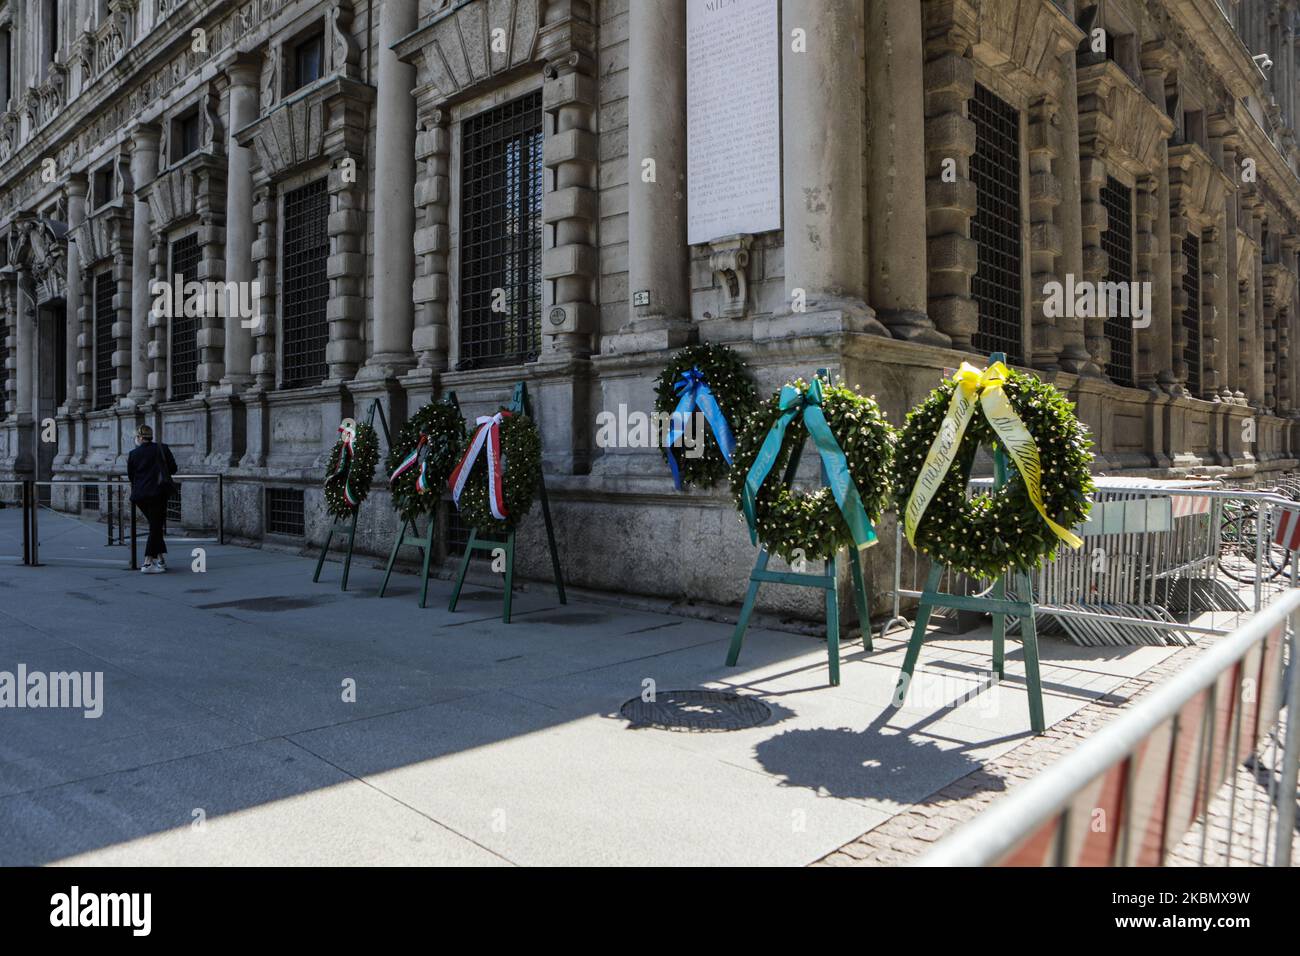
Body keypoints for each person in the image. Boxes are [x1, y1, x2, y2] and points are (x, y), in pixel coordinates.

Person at [127, 425, 177, 574]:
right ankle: (148, 562)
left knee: (155, 526)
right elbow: (173, 469)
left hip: (140, 496)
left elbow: (131, 476)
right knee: (155, 527)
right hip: (158, 493)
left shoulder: (133, 454)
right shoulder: (162, 448)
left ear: (140, 438)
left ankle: (160, 560)